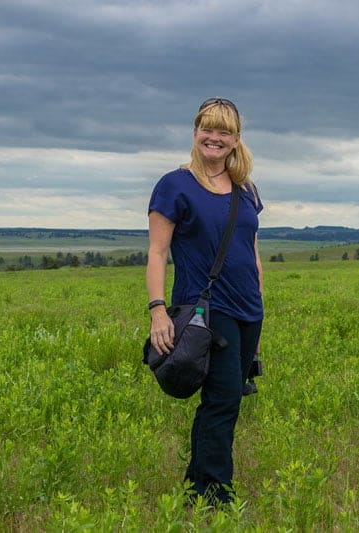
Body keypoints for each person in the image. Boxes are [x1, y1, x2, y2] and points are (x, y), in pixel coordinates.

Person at [145, 97, 264, 505]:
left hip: (249, 309)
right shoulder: (174, 186)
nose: (214, 137)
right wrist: (157, 310)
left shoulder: (246, 189)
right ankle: (216, 496)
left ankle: (197, 487)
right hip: (205, 310)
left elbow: (252, 251)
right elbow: (158, 253)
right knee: (224, 398)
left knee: (225, 398)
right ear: (195, 133)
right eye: (207, 129)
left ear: (235, 140)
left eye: (223, 131)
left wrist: (260, 310)